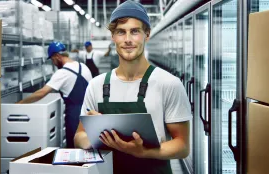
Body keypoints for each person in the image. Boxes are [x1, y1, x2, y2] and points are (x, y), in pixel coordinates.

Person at [74, 1, 192, 174]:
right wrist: (98, 133)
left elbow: (182, 145)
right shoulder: (96, 85)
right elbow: (79, 137)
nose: (128, 39)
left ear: (147, 34)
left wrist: (144, 152)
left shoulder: (169, 83)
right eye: (121, 32)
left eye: (135, 31)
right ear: (113, 37)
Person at [17, 42, 92, 148]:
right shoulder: (83, 66)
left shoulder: (62, 73)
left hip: (74, 115)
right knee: (86, 145)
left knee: (73, 147)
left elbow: (42, 93)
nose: (54, 63)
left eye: (52, 60)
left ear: (57, 56)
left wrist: (20, 103)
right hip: (89, 113)